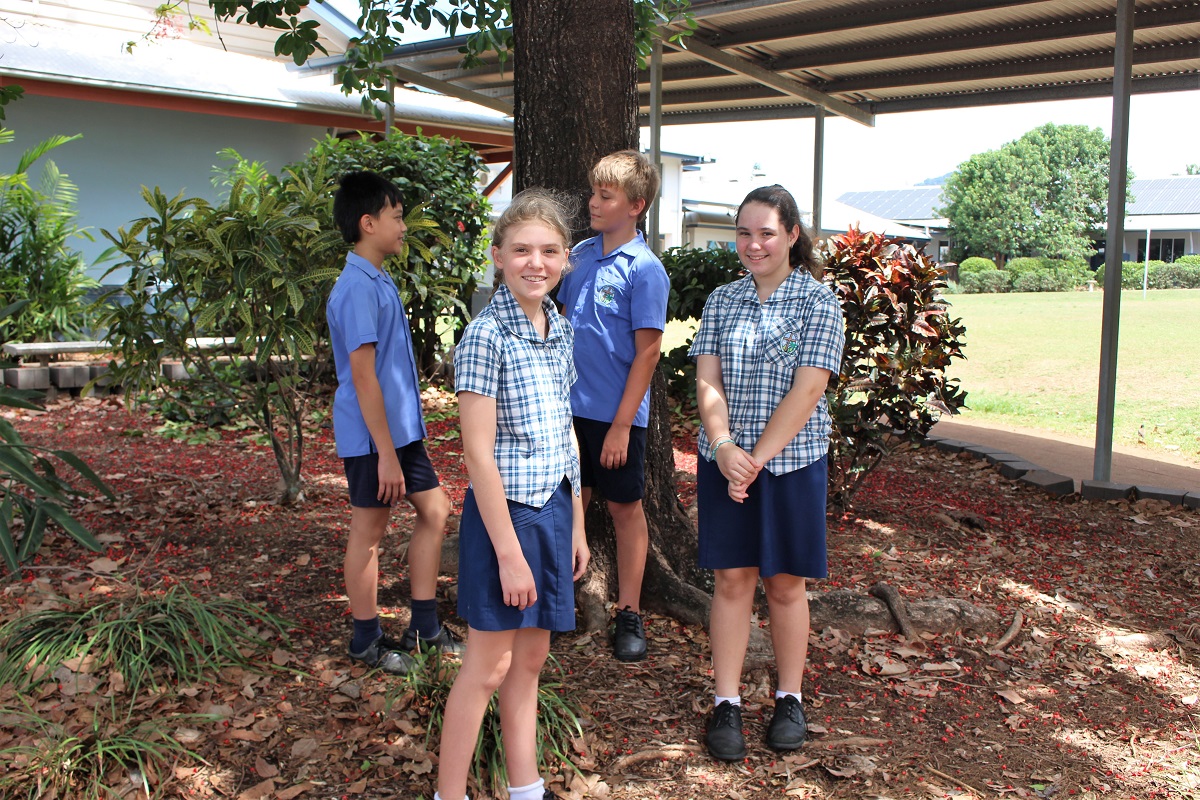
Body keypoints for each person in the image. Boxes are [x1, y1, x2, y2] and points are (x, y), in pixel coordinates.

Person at [435, 189, 590, 800]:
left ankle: (526, 789)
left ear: (565, 260)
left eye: (550, 250)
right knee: (487, 667)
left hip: (552, 510)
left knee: (528, 664)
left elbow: (565, 433)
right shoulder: (485, 335)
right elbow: (476, 453)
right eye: (521, 249)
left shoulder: (561, 329)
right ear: (498, 256)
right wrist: (507, 553)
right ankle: (450, 794)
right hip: (506, 522)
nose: (536, 262)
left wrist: (576, 522)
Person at [689, 184, 845, 761]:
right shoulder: (722, 301)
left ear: (792, 235)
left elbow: (810, 390)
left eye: (767, 234)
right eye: (744, 233)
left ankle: (789, 696)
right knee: (732, 580)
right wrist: (725, 446)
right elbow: (708, 381)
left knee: (784, 583)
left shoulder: (818, 302)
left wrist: (755, 460)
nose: (754, 245)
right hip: (726, 459)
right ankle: (726, 701)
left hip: (792, 465)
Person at [326, 170, 462, 675]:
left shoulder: (377, 279)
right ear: (368, 223)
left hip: (399, 433)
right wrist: (384, 453)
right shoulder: (356, 288)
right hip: (372, 438)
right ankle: (366, 639)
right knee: (369, 530)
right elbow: (363, 378)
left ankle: (423, 627)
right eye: (397, 216)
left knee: (435, 511)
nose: (403, 226)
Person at [556, 150, 670, 662]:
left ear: (636, 205)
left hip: (617, 419)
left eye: (606, 196)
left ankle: (629, 612)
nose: (593, 203)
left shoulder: (645, 270)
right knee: (566, 505)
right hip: (567, 414)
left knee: (626, 510)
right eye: (593, 193)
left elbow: (648, 352)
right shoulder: (578, 256)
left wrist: (623, 425)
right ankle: (557, 602)